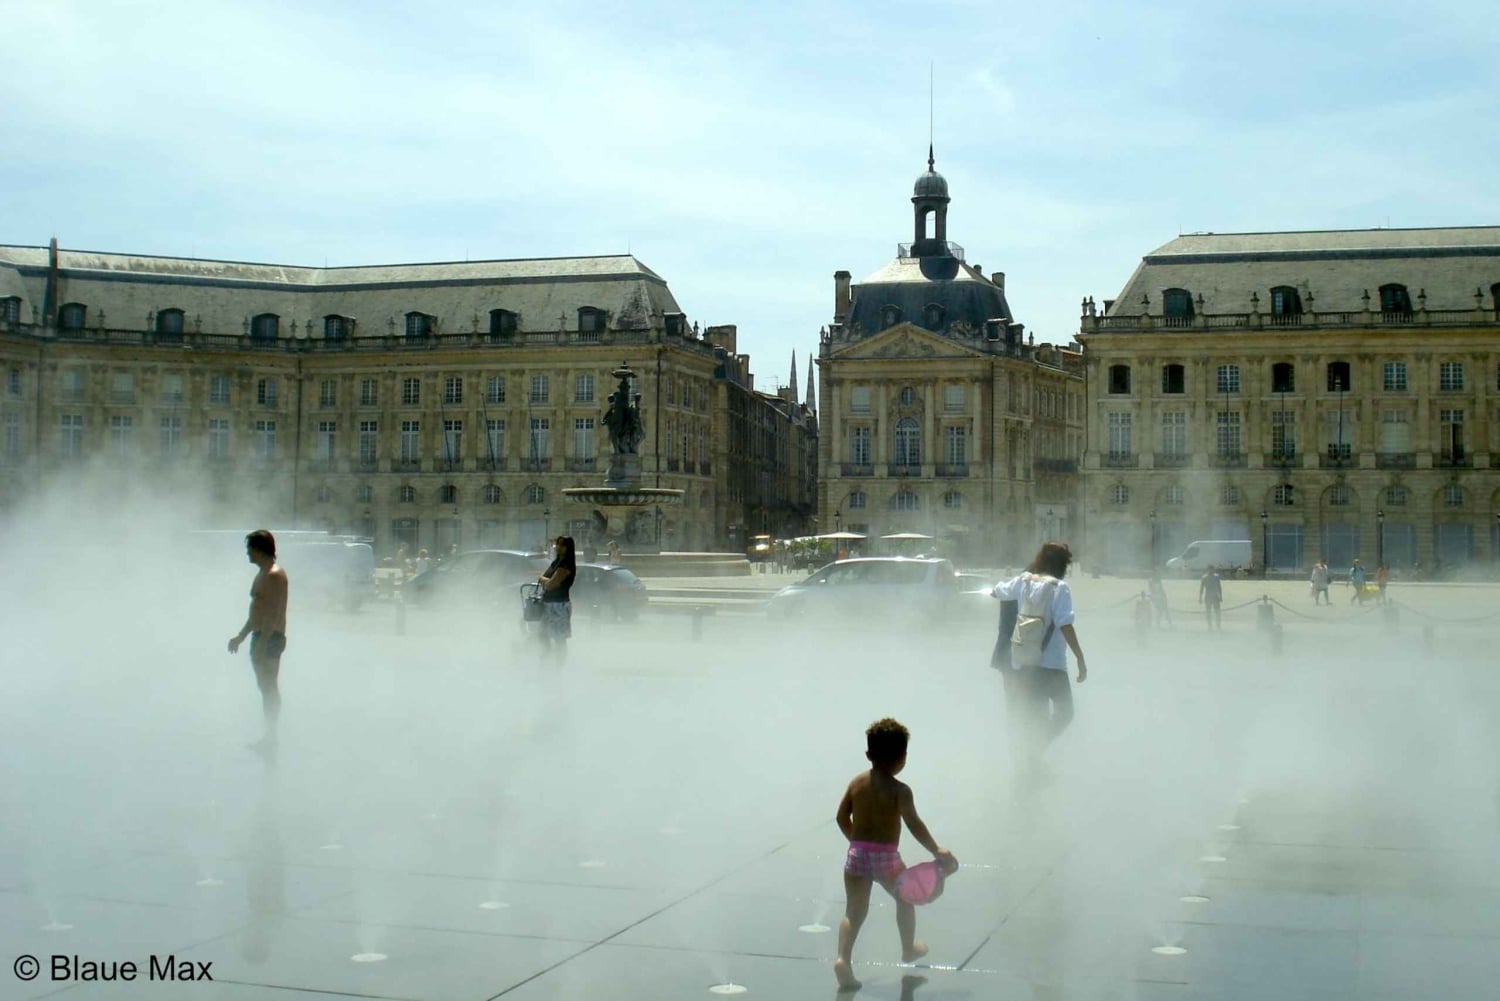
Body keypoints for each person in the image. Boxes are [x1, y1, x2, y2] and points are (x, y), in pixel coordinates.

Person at [834, 718, 955, 991]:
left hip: (857, 856)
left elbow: (841, 816)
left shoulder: (857, 783)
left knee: (853, 911)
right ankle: (908, 948)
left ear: (868, 754)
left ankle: (843, 959)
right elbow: (914, 824)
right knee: (905, 899)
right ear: (903, 758)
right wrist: (935, 848)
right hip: (886, 859)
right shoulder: (900, 790)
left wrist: (856, 841)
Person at [991, 542, 1089, 777]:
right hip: (1053, 666)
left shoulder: (1024, 580)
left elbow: (998, 590)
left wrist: (996, 588)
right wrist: (1080, 658)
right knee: (1065, 713)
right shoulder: (1060, 588)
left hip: (1025, 663)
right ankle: (1033, 755)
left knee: (1033, 717)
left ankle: (1028, 765)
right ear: (1063, 566)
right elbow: (1065, 624)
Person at [228, 529, 289, 752]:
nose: (247, 554)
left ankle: (271, 738)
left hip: (270, 638)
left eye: (249, 549)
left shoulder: (274, 575)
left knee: (269, 687)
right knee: (264, 687)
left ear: (259, 549)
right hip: (260, 636)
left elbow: (272, 613)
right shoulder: (263, 573)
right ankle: (269, 737)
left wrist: (262, 643)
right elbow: (257, 612)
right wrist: (241, 636)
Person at [537, 536, 576, 663]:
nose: (558, 547)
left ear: (567, 548)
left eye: (562, 545)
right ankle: (545, 659)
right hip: (548, 603)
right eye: (557, 544)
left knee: (559, 638)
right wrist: (545, 579)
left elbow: (550, 584)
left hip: (559, 605)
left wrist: (544, 579)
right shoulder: (556, 562)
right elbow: (546, 579)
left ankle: (559, 665)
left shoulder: (566, 565)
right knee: (543, 635)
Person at [1198, 565, 1223, 630]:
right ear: (1208, 569)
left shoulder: (1216, 577)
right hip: (1208, 596)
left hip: (1215, 596)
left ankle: (1218, 624)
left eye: (1212, 569)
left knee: (1217, 611)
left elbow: (1219, 587)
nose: (1211, 571)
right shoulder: (1204, 577)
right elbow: (1201, 588)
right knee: (1208, 611)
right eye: (1210, 569)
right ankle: (1210, 625)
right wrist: (1200, 598)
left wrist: (1220, 596)